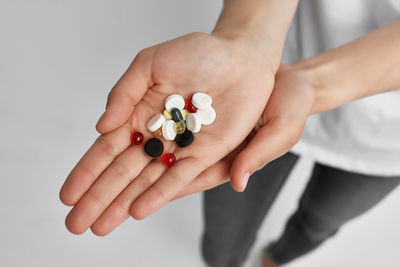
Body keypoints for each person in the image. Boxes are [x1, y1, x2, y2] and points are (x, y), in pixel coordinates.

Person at [59, 0, 400, 266]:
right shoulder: (185, 118)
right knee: (223, 238)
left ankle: (275, 259)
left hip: (387, 145)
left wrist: (313, 84)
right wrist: (245, 40)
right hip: (263, 84)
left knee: (318, 223)